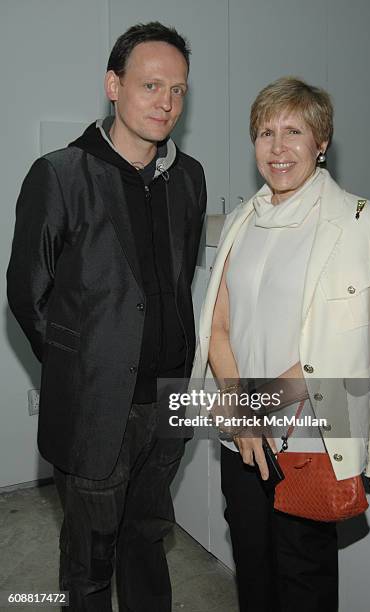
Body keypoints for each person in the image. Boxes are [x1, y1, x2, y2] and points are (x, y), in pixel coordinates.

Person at [7, 22, 206, 612]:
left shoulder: (188, 179)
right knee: (90, 564)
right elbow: (27, 295)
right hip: (97, 411)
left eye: (178, 90)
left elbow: (176, 281)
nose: (166, 102)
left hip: (170, 400)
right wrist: (87, 370)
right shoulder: (61, 175)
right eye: (150, 85)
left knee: (148, 542)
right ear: (113, 86)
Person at [191, 77, 370, 611]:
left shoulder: (360, 222)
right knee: (254, 579)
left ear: (321, 141)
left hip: (309, 439)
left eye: (293, 131)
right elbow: (216, 327)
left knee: (304, 584)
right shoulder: (242, 222)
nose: (277, 147)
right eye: (265, 132)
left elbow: (354, 348)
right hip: (241, 438)